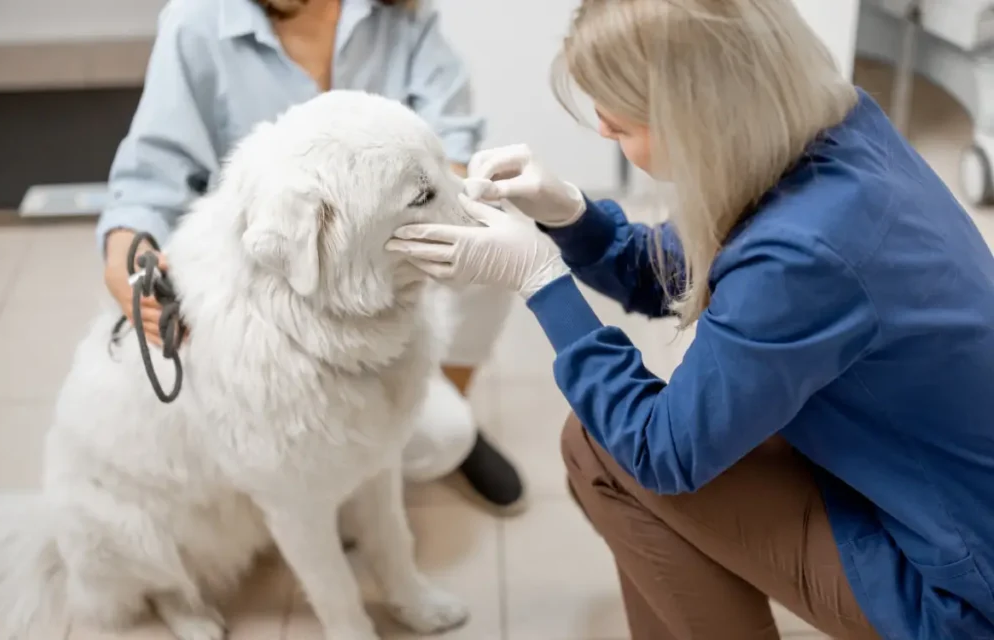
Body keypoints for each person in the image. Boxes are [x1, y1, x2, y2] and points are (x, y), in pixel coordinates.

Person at [386, 0, 994, 638]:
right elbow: (692, 269)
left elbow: (660, 452)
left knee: (607, 452)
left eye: (619, 126)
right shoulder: (831, 124)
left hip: (960, 590)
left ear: (697, 116)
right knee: (601, 442)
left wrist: (541, 280)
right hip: (940, 489)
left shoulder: (803, 256)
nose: (602, 134)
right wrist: (573, 216)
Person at [96, 0, 525, 512]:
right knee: (422, 442)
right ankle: (333, 475)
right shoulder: (195, 23)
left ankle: (441, 403)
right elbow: (151, 178)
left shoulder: (400, 15)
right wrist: (126, 247)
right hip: (284, 305)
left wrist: (418, 194)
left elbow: (452, 134)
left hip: (383, 267)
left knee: (496, 240)